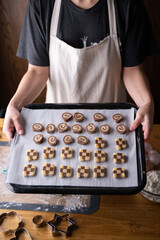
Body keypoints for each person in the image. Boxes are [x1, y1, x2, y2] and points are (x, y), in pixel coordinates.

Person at [3, 0, 158, 140]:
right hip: (59, 129)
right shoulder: (41, 5)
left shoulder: (128, 5)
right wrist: (14, 105)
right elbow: (37, 72)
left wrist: (146, 103)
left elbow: (131, 70)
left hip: (111, 127)